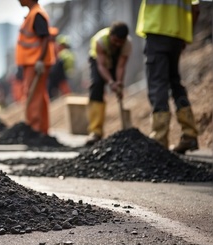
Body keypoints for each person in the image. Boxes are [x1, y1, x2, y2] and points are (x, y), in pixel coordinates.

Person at [136, 0, 200, 154]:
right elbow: (196, 9)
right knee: (175, 82)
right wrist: (187, 35)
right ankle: (189, 134)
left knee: (158, 83)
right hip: (178, 36)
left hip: (157, 32)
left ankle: (159, 139)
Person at [85, 22, 132, 146]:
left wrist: (119, 83)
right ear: (111, 35)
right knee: (97, 86)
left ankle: (126, 131)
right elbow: (101, 66)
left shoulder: (127, 45)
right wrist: (111, 82)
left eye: (120, 42)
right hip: (98, 62)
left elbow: (121, 66)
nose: (117, 44)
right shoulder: (100, 41)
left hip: (114, 62)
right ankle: (95, 131)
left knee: (118, 87)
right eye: (115, 40)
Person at [16, 0, 56, 136]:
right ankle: (41, 130)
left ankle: (34, 129)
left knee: (33, 95)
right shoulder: (33, 14)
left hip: (35, 63)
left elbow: (44, 38)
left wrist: (40, 61)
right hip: (32, 62)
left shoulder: (37, 14)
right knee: (38, 95)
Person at [48, 35, 75, 99]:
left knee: (61, 86)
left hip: (59, 70)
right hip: (58, 71)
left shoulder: (64, 54)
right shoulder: (67, 53)